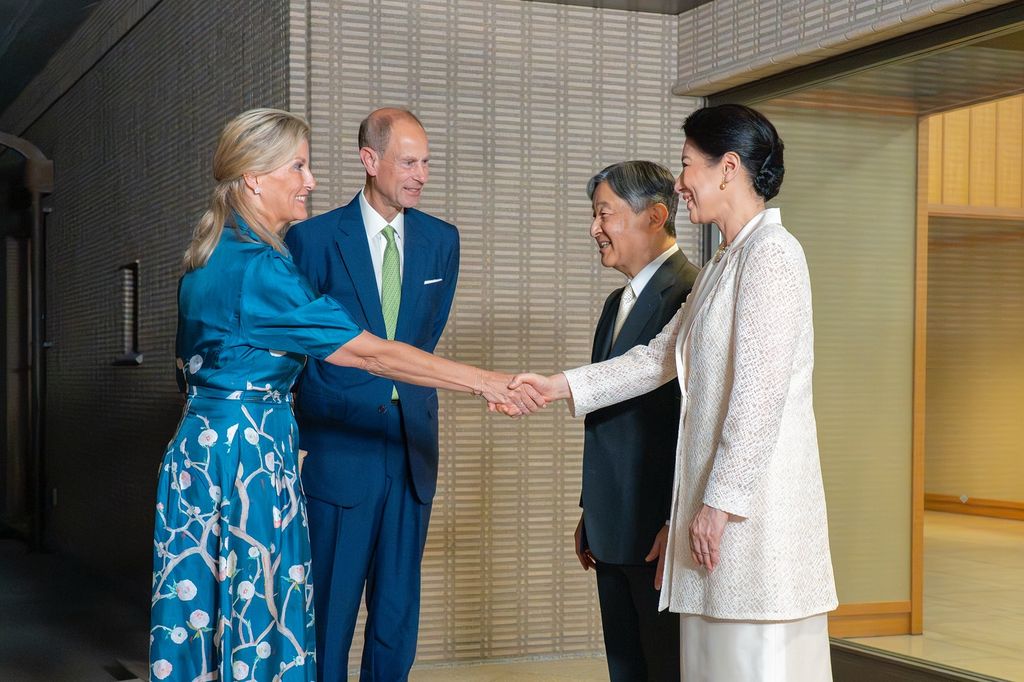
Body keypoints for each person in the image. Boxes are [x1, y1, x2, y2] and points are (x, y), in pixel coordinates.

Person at [149, 108, 539, 682]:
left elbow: (187, 372)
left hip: (204, 458)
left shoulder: (210, 256)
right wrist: (486, 382)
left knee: (210, 624)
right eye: (298, 167)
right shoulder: (263, 267)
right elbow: (371, 353)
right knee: (261, 626)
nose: (310, 180)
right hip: (247, 463)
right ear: (254, 178)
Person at [512, 104, 838, 681]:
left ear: (728, 168)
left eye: (688, 165)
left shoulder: (772, 255)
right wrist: (558, 385)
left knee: (752, 665)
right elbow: (657, 359)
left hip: (752, 520)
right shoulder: (721, 264)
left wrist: (718, 505)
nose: (681, 181)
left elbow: (758, 398)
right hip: (718, 519)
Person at [282, 107, 458, 681]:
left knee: (396, 617)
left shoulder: (441, 241)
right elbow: (297, 350)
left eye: (425, 162)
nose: (420, 175)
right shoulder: (310, 240)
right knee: (328, 616)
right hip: (340, 449)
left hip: (411, 452)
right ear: (369, 159)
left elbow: (423, 340)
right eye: (408, 162)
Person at [577, 160, 698, 681]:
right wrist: (591, 508)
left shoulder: (691, 292)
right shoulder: (615, 303)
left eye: (605, 214)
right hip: (611, 526)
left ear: (655, 216)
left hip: (657, 533)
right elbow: (610, 415)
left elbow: (692, 422)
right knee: (625, 668)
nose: (594, 228)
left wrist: (675, 519)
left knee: (665, 668)